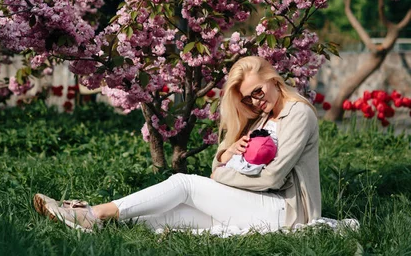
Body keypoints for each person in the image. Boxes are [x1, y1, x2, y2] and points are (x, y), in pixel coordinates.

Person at [33, 56, 321, 232]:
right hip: (258, 204)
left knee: (184, 185)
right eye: (248, 98)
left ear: (272, 79)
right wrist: (226, 153)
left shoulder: (297, 113)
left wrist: (221, 175)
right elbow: (219, 164)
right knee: (173, 215)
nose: (256, 101)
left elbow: (271, 176)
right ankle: (82, 222)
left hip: (287, 212)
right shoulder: (262, 117)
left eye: (258, 91)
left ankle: (94, 213)